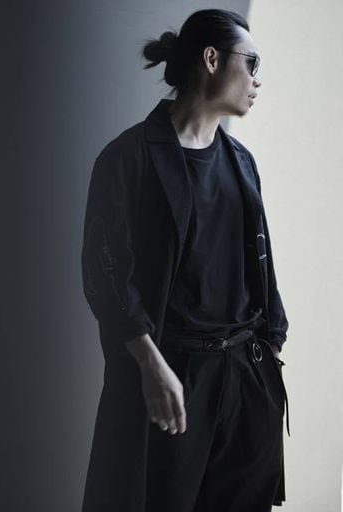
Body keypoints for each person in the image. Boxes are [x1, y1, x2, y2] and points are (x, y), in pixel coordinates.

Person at [80, 9, 289, 512]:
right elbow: (107, 274)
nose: (257, 79)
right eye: (252, 62)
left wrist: (270, 348)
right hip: (172, 376)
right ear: (212, 59)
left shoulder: (241, 162)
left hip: (245, 376)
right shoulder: (127, 158)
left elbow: (260, 266)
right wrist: (150, 363)